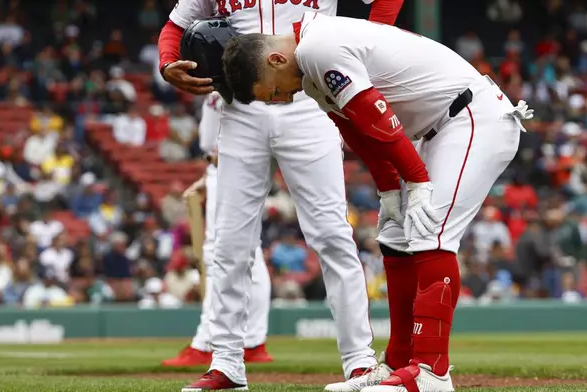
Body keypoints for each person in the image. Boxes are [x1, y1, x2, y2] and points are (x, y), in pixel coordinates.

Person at [221, 12, 533, 392]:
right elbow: (358, 130)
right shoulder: (309, 64)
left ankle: (432, 370)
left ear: (275, 60)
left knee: (429, 230)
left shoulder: (319, 47)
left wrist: (416, 181)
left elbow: (376, 114)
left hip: (471, 116)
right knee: (396, 235)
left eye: (273, 92)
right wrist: (388, 190)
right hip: (436, 128)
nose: (281, 99)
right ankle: (400, 362)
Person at [158, 0, 404, 390]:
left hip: (309, 99)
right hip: (239, 105)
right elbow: (176, 25)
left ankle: (359, 361)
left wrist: (368, 45)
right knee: (229, 242)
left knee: (332, 236)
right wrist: (167, 62)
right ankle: (226, 361)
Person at [161, 92, 273, 367]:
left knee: (220, 252)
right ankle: (252, 342)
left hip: (230, 166)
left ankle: (207, 343)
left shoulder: (231, 81)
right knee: (250, 252)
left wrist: (219, 167)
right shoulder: (246, 77)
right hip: (229, 166)